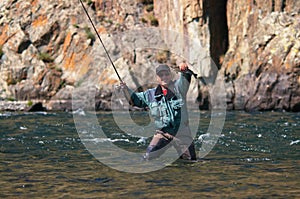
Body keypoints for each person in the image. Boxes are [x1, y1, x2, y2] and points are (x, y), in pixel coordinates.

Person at [120, 63, 196, 161]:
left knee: (191, 162)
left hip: (182, 133)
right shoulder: (150, 95)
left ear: (170, 75)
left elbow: (185, 78)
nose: (164, 77)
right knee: (147, 158)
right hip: (163, 133)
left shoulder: (179, 88)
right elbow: (135, 100)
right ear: (157, 78)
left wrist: (184, 70)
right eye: (161, 75)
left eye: (166, 74)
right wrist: (126, 89)